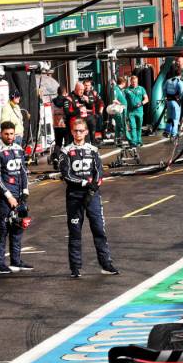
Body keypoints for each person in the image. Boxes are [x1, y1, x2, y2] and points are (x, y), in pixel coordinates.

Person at [60, 118, 118, 278]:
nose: (78, 133)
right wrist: (85, 183)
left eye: (81, 130)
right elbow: (66, 175)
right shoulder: (65, 151)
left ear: (86, 132)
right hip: (74, 196)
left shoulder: (93, 149)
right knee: (75, 232)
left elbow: (99, 171)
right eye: (75, 130)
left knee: (99, 229)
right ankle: (75, 268)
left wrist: (94, 187)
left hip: (92, 196)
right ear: (71, 132)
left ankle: (106, 264)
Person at [0, 121, 32, 275]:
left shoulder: (19, 149)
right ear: (1, 134)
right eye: (6, 134)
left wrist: (25, 191)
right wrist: (8, 197)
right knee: (3, 229)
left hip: (19, 195)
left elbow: (23, 171)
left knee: (18, 227)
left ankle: (16, 261)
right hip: (4, 197)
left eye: (12, 133)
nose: (9, 136)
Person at [124, 73, 147, 147]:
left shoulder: (141, 89)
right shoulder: (127, 90)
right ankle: (134, 141)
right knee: (133, 127)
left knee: (139, 127)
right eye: (133, 82)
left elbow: (146, 99)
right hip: (131, 112)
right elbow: (123, 100)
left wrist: (141, 103)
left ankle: (139, 140)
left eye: (136, 82)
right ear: (130, 81)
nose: (134, 83)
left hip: (139, 111)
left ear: (137, 81)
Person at [162, 66, 183, 137]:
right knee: (175, 118)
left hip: (169, 101)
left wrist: (165, 96)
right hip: (176, 101)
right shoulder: (179, 81)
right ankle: (174, 133)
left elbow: (164, 89)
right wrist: (179, 97)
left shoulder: (168, 80)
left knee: (169, 117)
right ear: (180, 75)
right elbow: (182, 91)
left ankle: (167, 130)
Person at [110, 76, 129, 144]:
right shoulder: (115, 89)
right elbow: (114, 100)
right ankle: (128, 138)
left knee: (118, 126)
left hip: (122, 111)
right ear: (123, 82)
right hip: (118, 111)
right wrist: (121, 104)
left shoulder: (120, 90)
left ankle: (117, 139)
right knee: (122, 125)